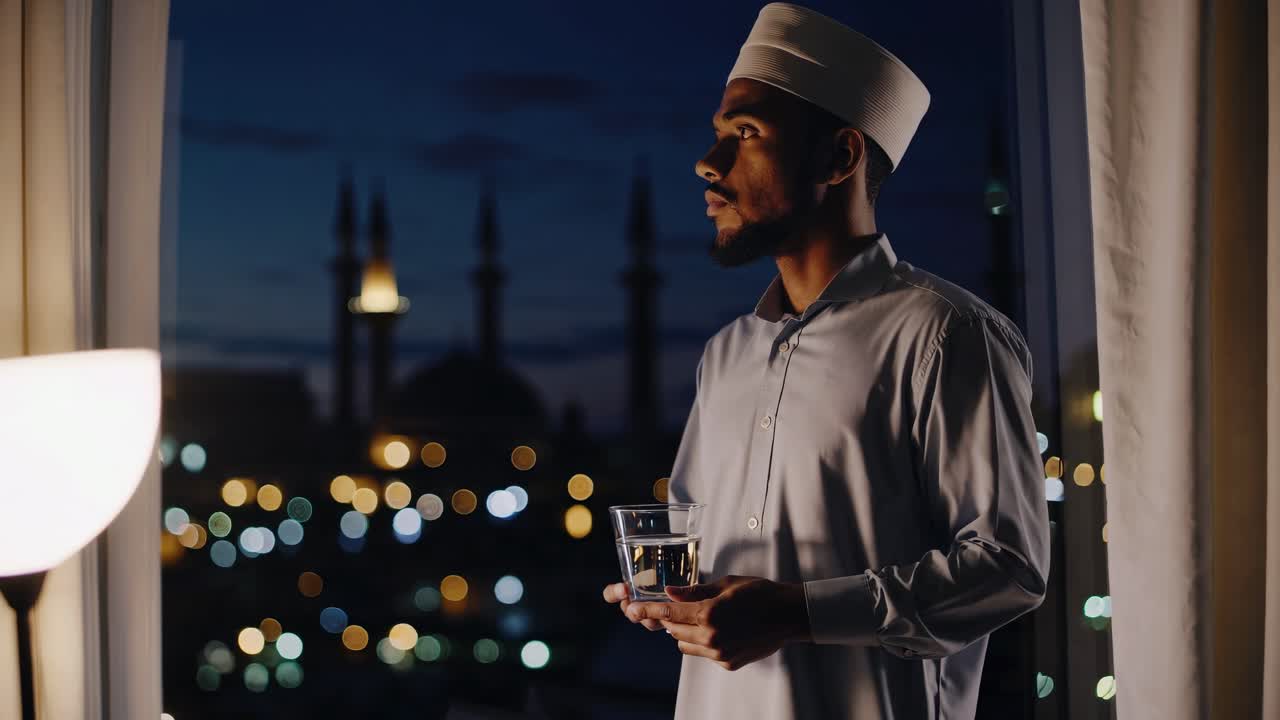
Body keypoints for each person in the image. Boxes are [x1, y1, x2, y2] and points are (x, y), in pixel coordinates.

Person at [601, 4, 1050, 719]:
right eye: (719, 135)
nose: (708, 164)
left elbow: (1007, 570)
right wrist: (661, 595)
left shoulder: (946, 335)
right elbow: (688, 531)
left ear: (840, 158)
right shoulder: (728, 354)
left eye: (745, 135)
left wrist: (796, 613)